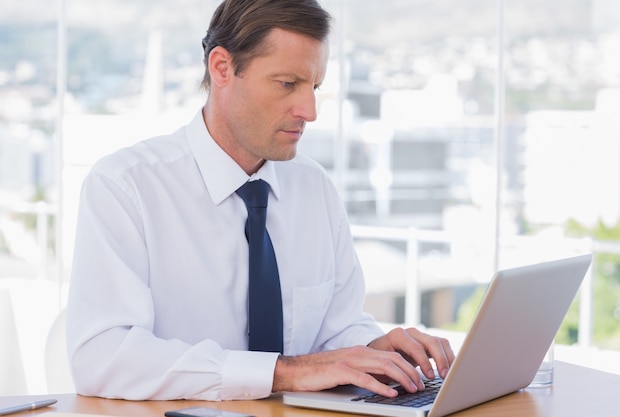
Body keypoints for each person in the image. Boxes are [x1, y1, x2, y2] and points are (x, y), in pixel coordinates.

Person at [66, 0, 455, 402]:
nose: (310, 111)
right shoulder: (126, 187)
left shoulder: (314, 188)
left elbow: (335, 330)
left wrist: (375, 353)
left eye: (315, 86)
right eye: (288, 84)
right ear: (222, 68)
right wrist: (282, 373)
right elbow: (101, 357)